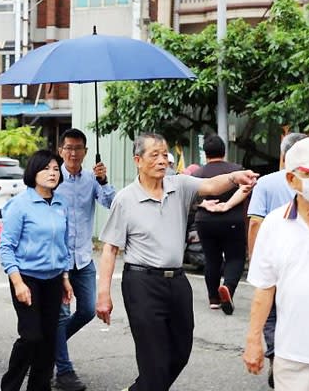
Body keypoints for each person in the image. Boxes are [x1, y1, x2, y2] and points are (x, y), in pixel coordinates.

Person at [96, 133, 258, 391]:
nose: (162, 160)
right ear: (138, 160)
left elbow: (211, 186)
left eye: (165, 155)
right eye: (155, 155)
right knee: (154, 362)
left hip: (178, 283)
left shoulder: (178, 185)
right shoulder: (125, 199)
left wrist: (234, 177)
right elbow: (110, 249)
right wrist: (103, 294)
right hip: (142, 284)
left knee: (181, 351)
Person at [243, 136, 309, 391]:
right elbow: (265, 289)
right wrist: (254, 340)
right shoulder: (275, 224)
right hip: (291, 356)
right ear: (292, 179)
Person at [0, 149, 74, 391]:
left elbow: (63, 244)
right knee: (31, 336)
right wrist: (18, 283)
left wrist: (65, 277)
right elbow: (7, 246)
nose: (52, 173)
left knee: (49, 339)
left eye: (56, 169)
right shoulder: (20, 205)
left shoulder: (61, 203)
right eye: (46, 169)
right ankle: (9, 386)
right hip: (26, 278)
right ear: (34, 172)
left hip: (53, 279)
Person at [53, 128, 115, 391]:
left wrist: (103, 181)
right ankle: (64, 371)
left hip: (83, 258)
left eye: (78, 148)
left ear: (86, 152)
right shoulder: (53, 178)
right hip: (58, 260)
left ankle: (47, 347)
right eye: (68, 148)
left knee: (88, 310)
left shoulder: (92, 179)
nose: (73, 153)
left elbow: (111, 204)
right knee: (61, 315)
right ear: (61, 151)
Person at [192, 134, 245, 314]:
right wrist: (228, 205)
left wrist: (203, 204)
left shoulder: (197, 174)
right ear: (224, 151)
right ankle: (228, 288)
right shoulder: (236, 170)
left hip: (205, 221)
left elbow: (187, 197)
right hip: (232, 220)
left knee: (212, 258)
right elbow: (246, 190)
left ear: (205, 153)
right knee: (235, 257)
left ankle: (213, 298)